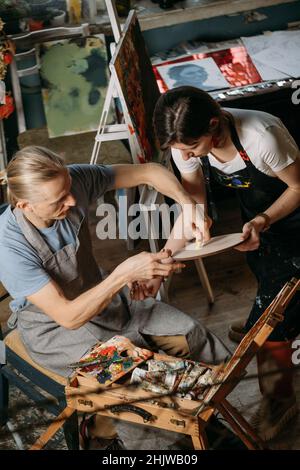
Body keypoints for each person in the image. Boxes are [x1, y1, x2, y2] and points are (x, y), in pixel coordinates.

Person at [0, 145, 230, 449]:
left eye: (69, 188)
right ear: (26, 205)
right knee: (138, 384)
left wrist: (188, 205)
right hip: (55, 330)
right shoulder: (8, 247)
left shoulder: (72, 181)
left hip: (108, 302)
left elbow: (150, 171)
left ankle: (211, 424)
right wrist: (123, 274)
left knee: (192, 334)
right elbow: (68, 316)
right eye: (59, 199)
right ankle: (150, 444)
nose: (71, 199)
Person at [153, 86, 300, 441]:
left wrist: (264, 219)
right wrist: (166, 256)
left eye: (190, 149)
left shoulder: (262, 137)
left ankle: (280, 400)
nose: (185, 155)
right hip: (262, 217)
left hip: (293, 219)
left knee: (271, 326)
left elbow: (298, 187)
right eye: (179, 151)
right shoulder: (184, 143)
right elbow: (193, 199)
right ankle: (272, 320)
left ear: (214, 125)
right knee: (266, 277)